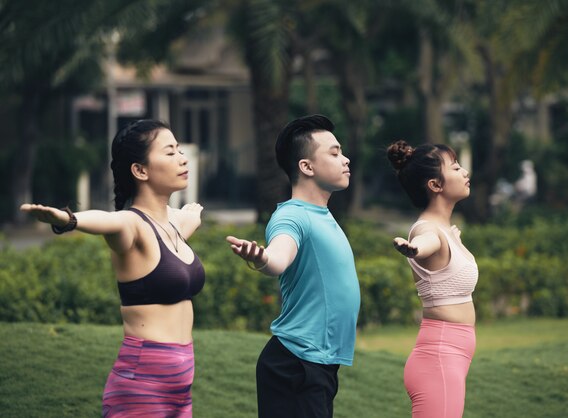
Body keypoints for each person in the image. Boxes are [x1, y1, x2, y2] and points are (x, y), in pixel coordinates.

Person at [21, 119, 206, 417]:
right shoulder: (130, 224)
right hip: (142, 384)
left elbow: (181, 226)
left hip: (181, 388)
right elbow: (107, 220)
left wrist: (190, 219)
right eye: (170, 152)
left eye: (180, 150)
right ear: (140, 170)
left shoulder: (172, 225)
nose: (182, 158)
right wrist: (69, 219)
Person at [226, 115, 360, 418]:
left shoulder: (322, 215)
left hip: (315, 364)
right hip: (295, 366)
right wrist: (262, 259)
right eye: (335, 152)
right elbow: (279, 257)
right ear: (307, 167)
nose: (346, 159)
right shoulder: (293, 216)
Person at [387, 140, 478, 418]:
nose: (464, 172)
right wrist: (413, 249)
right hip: (439, 358)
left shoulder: (445, 229)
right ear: (435, 185)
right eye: (455, 167)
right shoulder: (427, 230)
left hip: (449, 358)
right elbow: (425, 242)